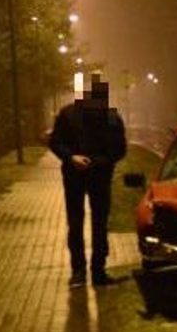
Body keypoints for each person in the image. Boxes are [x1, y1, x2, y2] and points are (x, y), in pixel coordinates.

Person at [48, 74, 128, 287]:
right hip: (79, 176)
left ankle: (93, 271)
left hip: (95, 176)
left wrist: (93, 161)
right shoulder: (69, 115)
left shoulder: (110, 117)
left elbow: (119, 149)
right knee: (78, 224)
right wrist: (71, 157)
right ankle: (83, 271)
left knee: (97, 224)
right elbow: (56, 142)